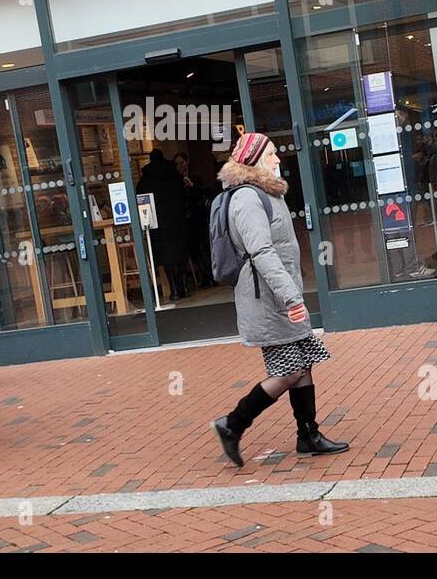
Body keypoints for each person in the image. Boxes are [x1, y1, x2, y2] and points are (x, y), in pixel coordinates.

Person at [211, 132, 348, 467]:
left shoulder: (265, 194)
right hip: (267, 300)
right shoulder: (246, 199)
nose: (278, 159)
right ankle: (233, 423)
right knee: (288, 372)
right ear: (256, 159)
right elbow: (261, 252)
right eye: (272, 154)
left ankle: (308, 435)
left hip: (279, 295)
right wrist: (290, 297)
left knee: (302, 365)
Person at [135, 148, 190, 302]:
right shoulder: (174, 175)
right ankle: (185, 287)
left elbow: (140, 199)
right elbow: (182, 195)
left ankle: (174, 290)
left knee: (166, 257)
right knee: (180, 254)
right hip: (177, 219)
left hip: (158, 224)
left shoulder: (145, 180)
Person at [175, 152, 213, 289]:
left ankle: (211, 275)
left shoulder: (196, 176)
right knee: (194, 250)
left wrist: (192, 186)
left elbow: (204, 193)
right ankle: (204, 276)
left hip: (199, 216)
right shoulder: (176, 180)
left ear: (187, 162)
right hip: (186, 219)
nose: (180, 166)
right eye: (177, 164)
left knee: (205, 246)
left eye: (182, 162)